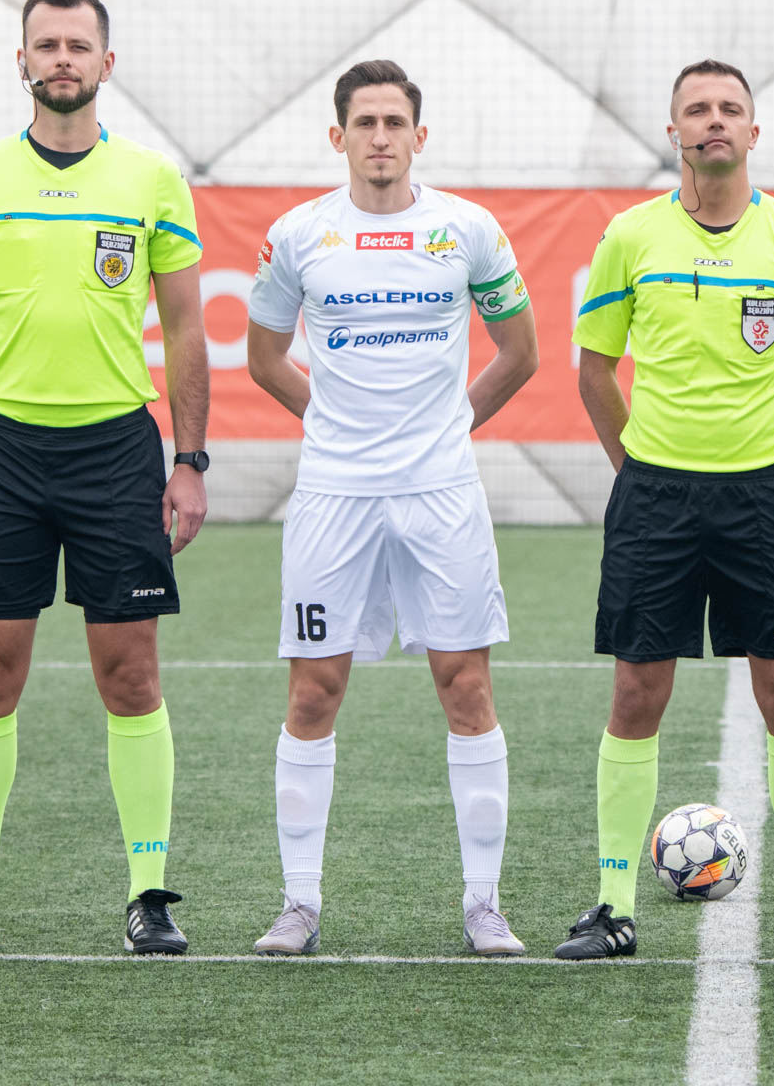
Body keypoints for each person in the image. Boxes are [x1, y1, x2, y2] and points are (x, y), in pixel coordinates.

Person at [0, 0, 210, 954]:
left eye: (80, 44)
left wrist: (190, 458)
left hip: (117, 452)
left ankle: (149, 894)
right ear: (23, 61)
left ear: (106, 64)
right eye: (48, 44)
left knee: (130, 673)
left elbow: (187, 329)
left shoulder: (152, 180)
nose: (64, 58)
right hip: (2, 451)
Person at [556, 58, 774, 961]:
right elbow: (594, 371)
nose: (714, 120)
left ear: (753, 132)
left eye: (730, 108)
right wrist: (635, 471)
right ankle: (612, 906)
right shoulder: (630, 237)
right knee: (636, 689)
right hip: (656, 495)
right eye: (698, 109)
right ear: (674, 130)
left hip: (764, 494)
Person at [244, 61, 540, 958]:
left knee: (466, 685)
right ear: (338, 137)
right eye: (365, 123)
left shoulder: (467, 229)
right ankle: (298, 904)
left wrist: (448, 428)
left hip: (441, 494)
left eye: (395, 122)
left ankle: (484, 904)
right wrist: (334, 425)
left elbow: (519, 352)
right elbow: (264, 358)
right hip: (333, 495)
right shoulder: (299, 235)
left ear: (420, 135)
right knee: (314, 690)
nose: (381, 137)